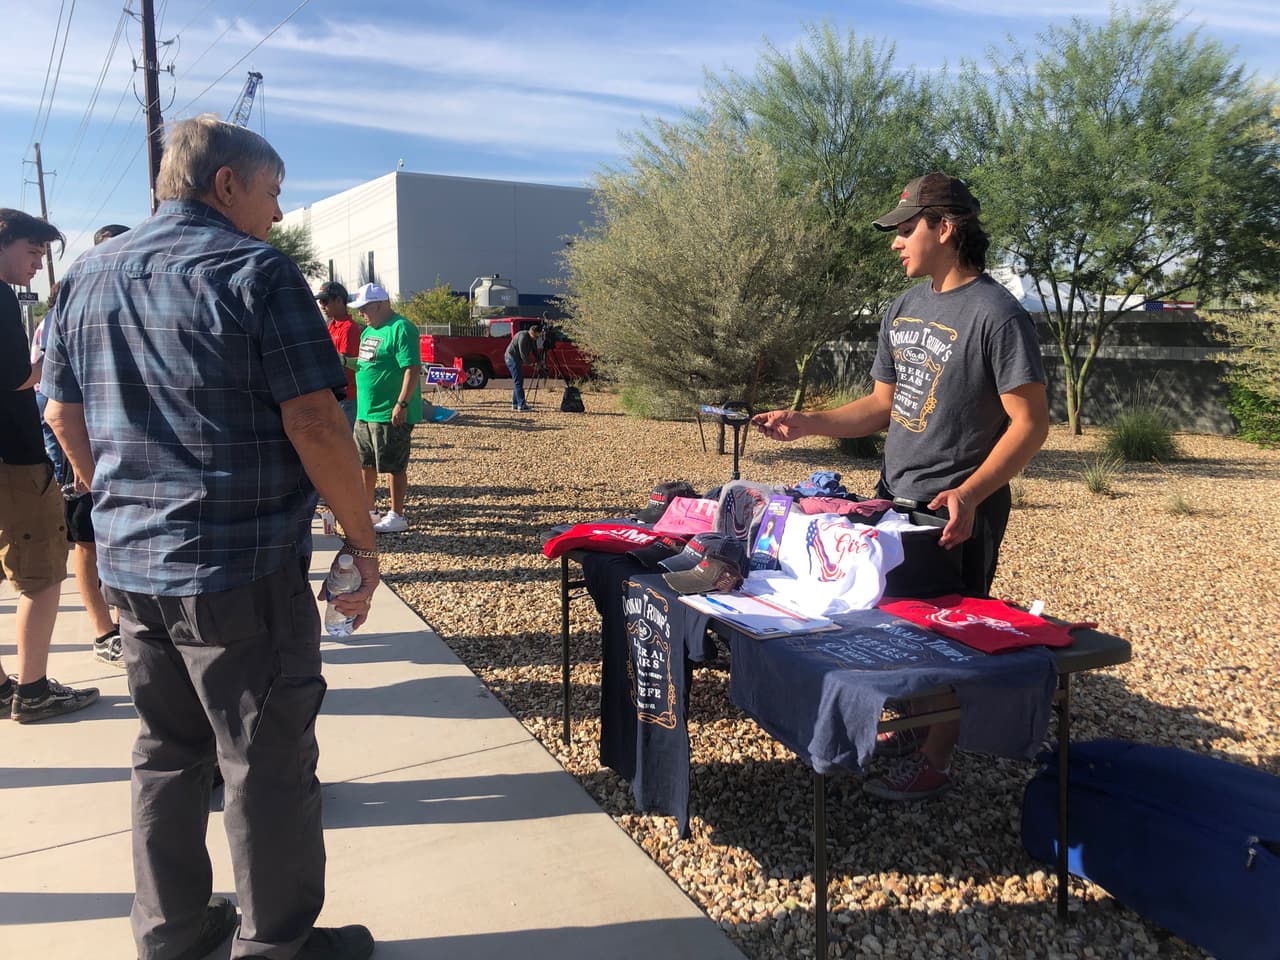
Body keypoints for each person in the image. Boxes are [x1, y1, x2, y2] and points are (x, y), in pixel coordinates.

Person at [41, 114, 378, 960]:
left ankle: (174, 935)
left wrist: (117, 500)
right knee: (265, 764)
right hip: (240, 571)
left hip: (132, 568)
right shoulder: (256, 271)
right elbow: (315, 420)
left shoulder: (85, 275)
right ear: (225, 183)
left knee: (165, 753)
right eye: (272, 191)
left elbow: (62, 414)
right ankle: (279, 946)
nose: (278, 211)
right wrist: (364, 542)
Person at [752, 172, 1049, 801]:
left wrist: (971, 493)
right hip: (894, 499)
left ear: (945, 228)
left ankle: (936, 761)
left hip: (956, 510)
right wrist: (807, 421)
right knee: (892, 621)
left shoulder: (998, 316)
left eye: (906, 229)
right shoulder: (904, 308)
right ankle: (915, 728)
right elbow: (880, 406)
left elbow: (1030, 424)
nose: (895, 242)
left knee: (943, 632)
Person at [0, 209, 100, 723]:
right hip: (15, 459)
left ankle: (3, 688)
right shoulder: (0, 297)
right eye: (32, 252)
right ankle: (34, 691)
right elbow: (15, 377)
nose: (38, 264)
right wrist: (56, 361)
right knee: (40, 576)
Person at [33, 223, 132, 669]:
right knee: (90, 543)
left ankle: (125, 624)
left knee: (115, 542)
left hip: (112, 449)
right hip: (81, 454)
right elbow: (53, 407)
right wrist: (81, 464)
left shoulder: (116, 306)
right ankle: (104, 632)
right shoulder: (67, 312)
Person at [349, 282, 422, 534]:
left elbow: (412, 368)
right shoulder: (368, 332)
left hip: (390, 412)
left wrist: (401, 403)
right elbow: (365, 363)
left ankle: (396, 515)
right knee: (365, 463)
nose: (361, 313)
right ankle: (369, 510)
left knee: (393, 465)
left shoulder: (401, 328)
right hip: (365, 411)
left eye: (365, 308)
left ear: (381, 304)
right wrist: (345, 361)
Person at [316, 280, 363, 428]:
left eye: (324, 301)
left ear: (339, 300)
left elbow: (344, 365)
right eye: (320, 302)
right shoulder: (331, 325)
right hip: (333, 395)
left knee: (346, 437)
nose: (321, 306)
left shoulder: (349, 328)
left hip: (347, 397)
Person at [504, 319, 543, 412]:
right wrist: (532, 364)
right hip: (511, 358)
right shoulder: (523, 336)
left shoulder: (532, 339)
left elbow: (535, 351)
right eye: (536, 336)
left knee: (518, 381)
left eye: (538, 337)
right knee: (518, 381)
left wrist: (540, 361)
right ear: (531, 332)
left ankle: (515, 404)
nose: (536, 338)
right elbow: (523, 355)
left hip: (517, 359)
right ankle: (521, 405)